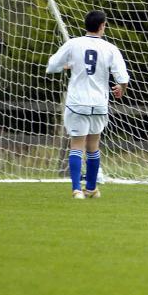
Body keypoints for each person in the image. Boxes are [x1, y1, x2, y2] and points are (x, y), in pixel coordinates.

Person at [46, 10, 130, 199]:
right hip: (99, 103)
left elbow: (52, 65)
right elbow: (122, 77)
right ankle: (91, 188)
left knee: (76, 145)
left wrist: (66, 66)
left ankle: (77, 190)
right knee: (93, 146)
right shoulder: (110, 48)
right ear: (102, 26)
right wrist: (121, 88)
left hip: (78, 102)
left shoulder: (73, 44)